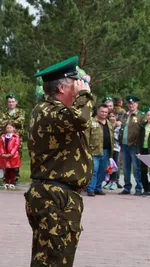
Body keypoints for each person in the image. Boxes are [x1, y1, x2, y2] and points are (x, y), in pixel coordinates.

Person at [24, 56, 93, 266]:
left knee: (52, 260)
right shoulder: (48, 110)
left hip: (57, 195)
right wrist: (85, 95)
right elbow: (82, 119)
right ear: (62, 88)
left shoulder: (55, 111)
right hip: (54, 197)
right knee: (54, 261)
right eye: (76, 83)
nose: (81, 87)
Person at [86, 104, 114, 196]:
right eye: (102, 111)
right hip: (94, 151)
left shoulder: (109, 123)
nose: (104, 113)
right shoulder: (91, 122)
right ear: (97, 111)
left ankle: (98, 188)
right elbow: (86, 137)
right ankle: (91, 189)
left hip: (106, 151)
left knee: (102, 171)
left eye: (106, 112)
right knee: (94, 170)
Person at [118, 95, 144, 195]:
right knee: (126, 167)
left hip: (134, 145)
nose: (131, 105)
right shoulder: (125, 115)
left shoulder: (141, 115)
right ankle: (127, 187)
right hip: (124, 145)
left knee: (136, 167)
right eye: (129, 103)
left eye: (133, 103)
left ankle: (138, 187)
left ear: (137, 104)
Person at [0, 93, 25, 185]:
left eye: (13, 101)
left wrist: (7, 123)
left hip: (16, 139)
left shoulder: (21, 112)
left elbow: (20, 121)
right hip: (5, 140)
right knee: (4, 158)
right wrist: (12, 123)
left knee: (16, 158)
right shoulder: (3, 112)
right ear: (7, 103)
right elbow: (1, 123)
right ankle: (5, 178)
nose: (11, 103)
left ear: (16, 102)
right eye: (9, 102)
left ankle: (15, 178)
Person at [104, 109, 122, 190]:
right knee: (108, 165)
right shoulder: (106, 124)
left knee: (114, 165)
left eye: (113, 116)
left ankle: (114, 181)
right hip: (108, 147)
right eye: (110, 116)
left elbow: (118, 137)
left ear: (116, 117)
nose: (111, 118)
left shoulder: (119, 126)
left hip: (116, 148)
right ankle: (108, 181)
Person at [0, 122, 21, 189]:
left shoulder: (16, 136)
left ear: (14, 128)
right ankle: (6, 182)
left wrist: (11, 154)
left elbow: (16, 145)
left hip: (13, 156)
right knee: (6, 169)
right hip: (5, 156)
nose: (8, 129)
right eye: (7, 128)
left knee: (12, 169)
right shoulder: (3, 136)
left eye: (10, 128)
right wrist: (3, 153)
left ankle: (12, 183)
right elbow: (1, 146)